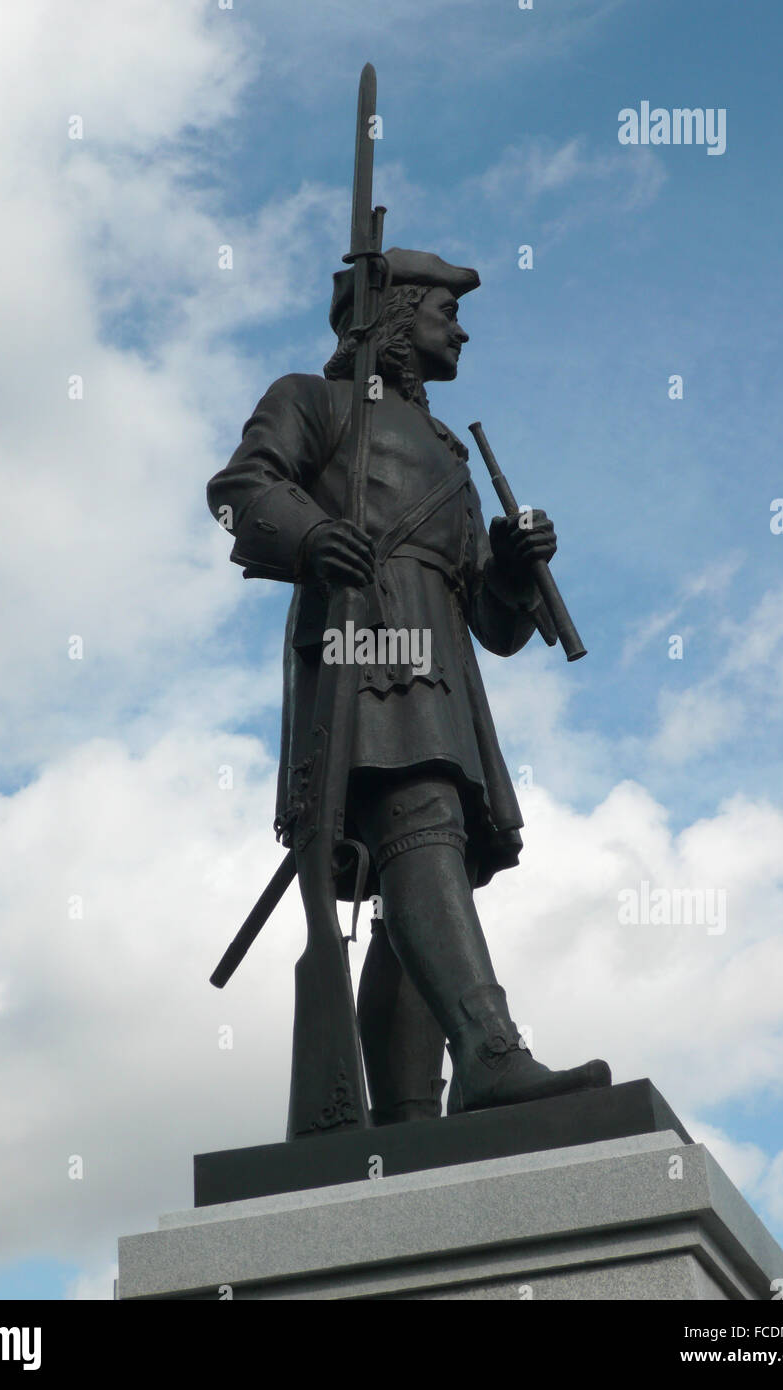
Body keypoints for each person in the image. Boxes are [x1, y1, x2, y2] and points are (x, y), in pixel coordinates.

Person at [208, 248, 610, 1125]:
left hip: (442, 668)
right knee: (422, 831)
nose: (459, 328)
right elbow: (241, 491)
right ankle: (490, 1052)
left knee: (428, 872)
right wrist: (311, 536)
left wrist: (509, 568)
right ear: (393, 318)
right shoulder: (313, 402)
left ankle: (405, 1116)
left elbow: (494, 628)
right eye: (443, 309)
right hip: (363, 647)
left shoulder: (444, 450)